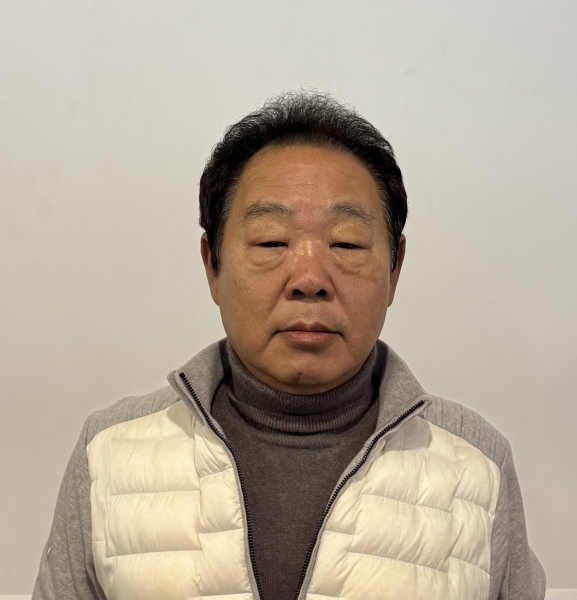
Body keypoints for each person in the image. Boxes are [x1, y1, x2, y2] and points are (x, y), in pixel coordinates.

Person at [33, 91, 545, 600]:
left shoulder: (478, 466)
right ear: (213, 265)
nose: (309, 278)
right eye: (271, 242)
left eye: (345, 243)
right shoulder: (108, 453)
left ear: (395, 269)